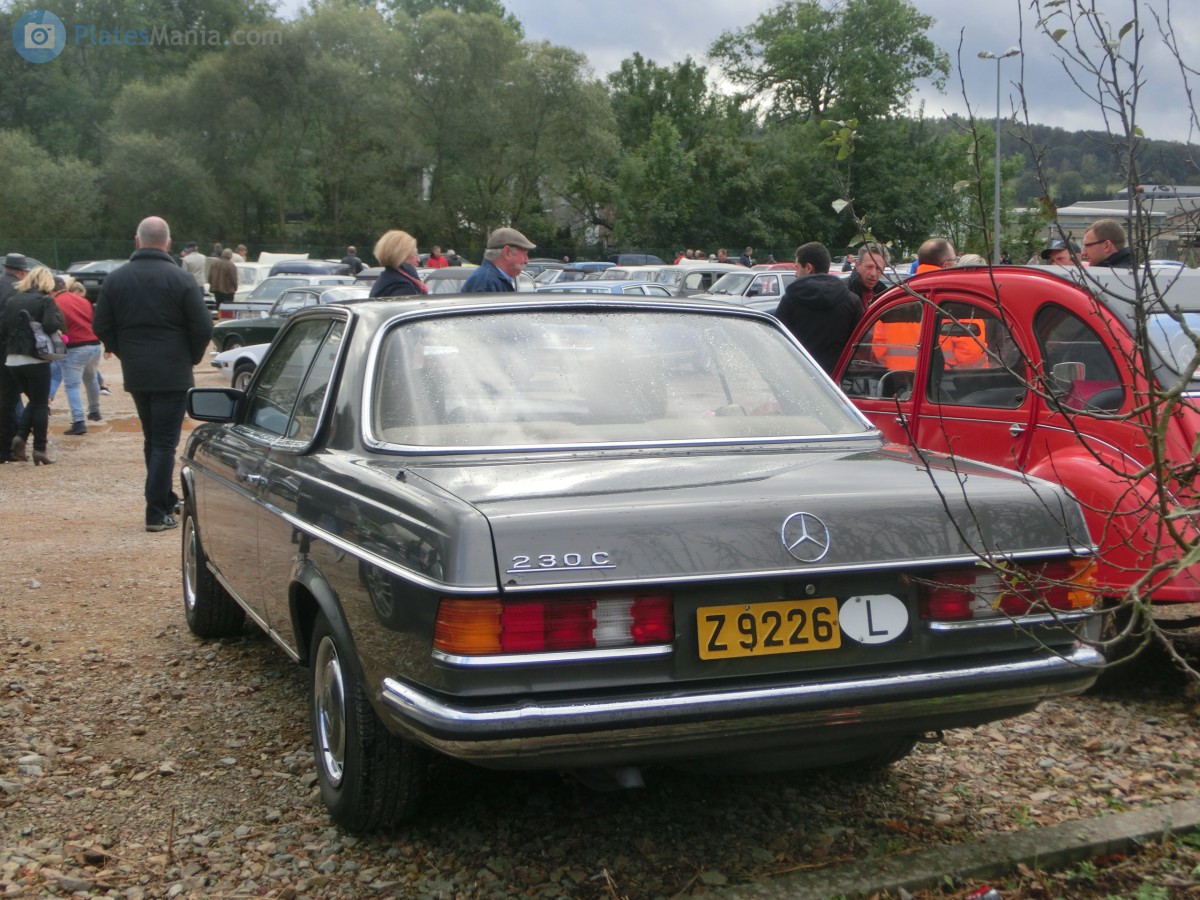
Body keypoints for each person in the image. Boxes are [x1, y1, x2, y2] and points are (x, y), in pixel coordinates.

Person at [93, 216, 213, 532]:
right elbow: (203, 326)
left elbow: (101, 324)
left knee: (153, 440)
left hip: (137, 371)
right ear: (168, 243)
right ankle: (155, 512)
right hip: (172, 371)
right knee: (163, 443)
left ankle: (164, 497)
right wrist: (190, 357)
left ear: (137, 240)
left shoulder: (116, 279)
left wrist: (125, 352)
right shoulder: (182, 279)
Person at [0, 266, 64, 465]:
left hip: (12, 359)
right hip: (36, 358)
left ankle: (19, 437)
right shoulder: (45, 300)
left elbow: (3, 327)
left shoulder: (12, 300)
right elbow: (52, 326)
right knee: (40, 403)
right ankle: (39, 449)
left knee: (33, 401)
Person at [774, 241, 863, 374]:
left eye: (797, 267)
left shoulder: (790, 299)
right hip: (836, 379)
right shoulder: (852, 301)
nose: (796, 274)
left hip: (798, 375)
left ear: (809, 268)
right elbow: (858, 346)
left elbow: (777, 341)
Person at [53, 276, 103, 435]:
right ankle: (94, 410)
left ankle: (78, 421)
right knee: (91, 378)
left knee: (72, 385)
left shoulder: (55, 303)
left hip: (75, 346)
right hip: (94, 344)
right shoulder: (83, 300)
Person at [461, 227, 535, 293]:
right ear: (507, 253)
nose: (526, 261)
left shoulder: (489, 280)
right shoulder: (486, 284)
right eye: (524, 255)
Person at [369, 230, 427, 297]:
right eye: (415, 254)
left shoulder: (385, 280)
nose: (418, 260)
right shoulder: (403, 287)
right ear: (402, 256)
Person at [846, 243, 890, 310]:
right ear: (857, 266)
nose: (873, 274)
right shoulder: (842, 293)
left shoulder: (885, 295)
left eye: (878, 269)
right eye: (869, 267)